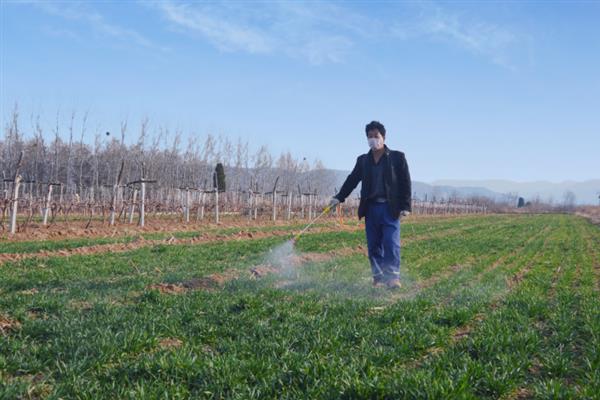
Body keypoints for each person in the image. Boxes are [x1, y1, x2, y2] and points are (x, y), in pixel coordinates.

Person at [329, 121, 411, 289]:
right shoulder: (363, 160)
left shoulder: (397, 157)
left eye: (376, 136)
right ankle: (378, 278)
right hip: (371, 208)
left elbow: (405, 182)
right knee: (374, 244)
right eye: (370, 136)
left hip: (390, 208)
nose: (373, 139)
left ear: (383, 137)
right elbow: (352, 180)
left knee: (390, 242)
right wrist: (339, 197)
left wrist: (406, 205)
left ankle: (393, 277)